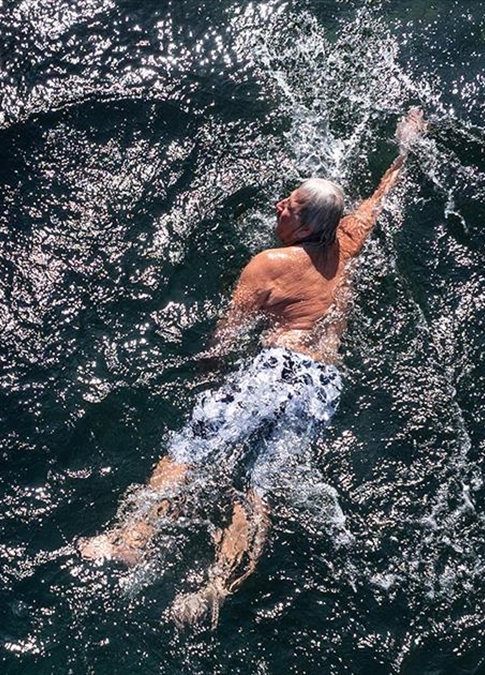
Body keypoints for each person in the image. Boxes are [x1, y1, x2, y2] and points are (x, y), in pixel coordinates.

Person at [79, 107, 427, 626]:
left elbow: (227, 335)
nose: (277, 206)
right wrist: (404, 149)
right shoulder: (349, 241)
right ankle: (215, 588)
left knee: (190, 449)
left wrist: (207, 378)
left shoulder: (269, 263)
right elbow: (381, 197)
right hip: (322, 383)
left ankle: (132, 541)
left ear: (307, 224)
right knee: (261, 487)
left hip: (276, 368)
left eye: (288, 205)